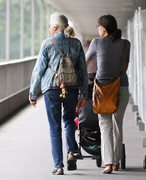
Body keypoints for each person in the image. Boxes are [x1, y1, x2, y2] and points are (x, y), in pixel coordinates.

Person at [29, 12, 88, 175]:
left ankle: (59, 166)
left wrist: (32, 93)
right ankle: (71, 151)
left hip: (51, 88)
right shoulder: (76, 44)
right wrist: (83, 94)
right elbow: (83, 70)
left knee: (54, 128)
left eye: (50, 27)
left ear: (54, 27)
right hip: (72, 87)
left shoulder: (47, 44)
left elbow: (39, 70)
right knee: (69, 120)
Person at [86, 14, 131, 174]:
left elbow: (85, 62)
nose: (97, 29)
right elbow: (124, 68)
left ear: (103, 28)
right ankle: (116, 162)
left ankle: (109, 163)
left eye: (98, 26)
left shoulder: (96, 43)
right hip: (121, 87)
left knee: (105, 125)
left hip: (103, 90)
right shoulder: (126, 44)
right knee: (118, 124)